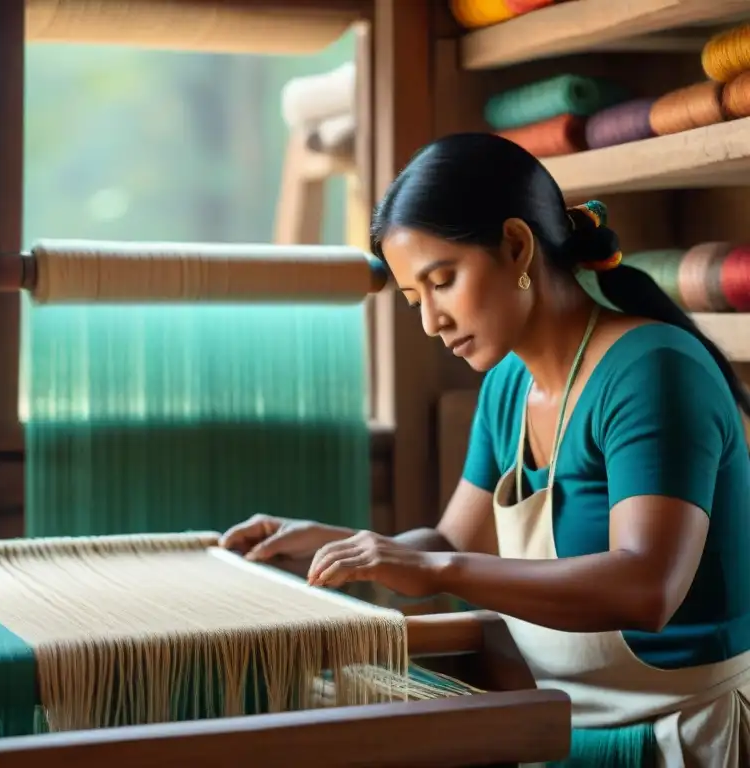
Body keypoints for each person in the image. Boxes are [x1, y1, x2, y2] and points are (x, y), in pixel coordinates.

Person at [221, 133, 750, 767]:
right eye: (415, 299)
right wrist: (338, 547)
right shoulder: (508, 386)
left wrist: (436, 571)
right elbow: (450, 546)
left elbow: (646, 587)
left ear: (517, 246)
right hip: (557, 730)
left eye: (442, 281)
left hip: (684, 736)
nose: (430, 321)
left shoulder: (653, 371)